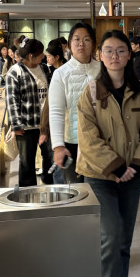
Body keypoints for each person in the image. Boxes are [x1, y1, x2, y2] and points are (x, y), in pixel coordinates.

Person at [77, 29, 140, 277]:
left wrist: (135, 166)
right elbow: (88, 138)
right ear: (100, 55)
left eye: (120, 50)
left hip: (132, 176)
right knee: (109, 237)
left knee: (123, 240)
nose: (114, 56)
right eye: (108, 50)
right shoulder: (90, 93)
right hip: (100, 177)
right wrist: (117, 167)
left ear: (129, 55)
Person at [48, 22, 100, 184]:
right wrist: (58, 146)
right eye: (77, 39)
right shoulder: (60, 74)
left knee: (99, 189)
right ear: (69, 44)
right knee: (77, 191)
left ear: (93, 44)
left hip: (100, 141)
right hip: (72, 141)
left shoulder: (102, 70)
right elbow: (56, 112)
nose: (81, 44)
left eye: (86, 39)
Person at [4, 38, 46, 188]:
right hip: (26, 126)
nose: (43, 56)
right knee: (27, 163)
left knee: (49, 159)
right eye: (40, 53)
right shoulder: (15, 72)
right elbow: (11, 100)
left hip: (45, 125)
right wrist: (16, 125)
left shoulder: (44, 68)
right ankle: (27, 194)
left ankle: (49, 191)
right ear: (31, 56)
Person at [39, 39, 67, 185]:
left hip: (63, 124)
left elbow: (50, 104)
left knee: (58, 164)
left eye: (49, 56)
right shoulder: (53, 70)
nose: (47, 58)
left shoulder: (61, 72)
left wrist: (44, 129)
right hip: (56, 122)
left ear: (57, 57)